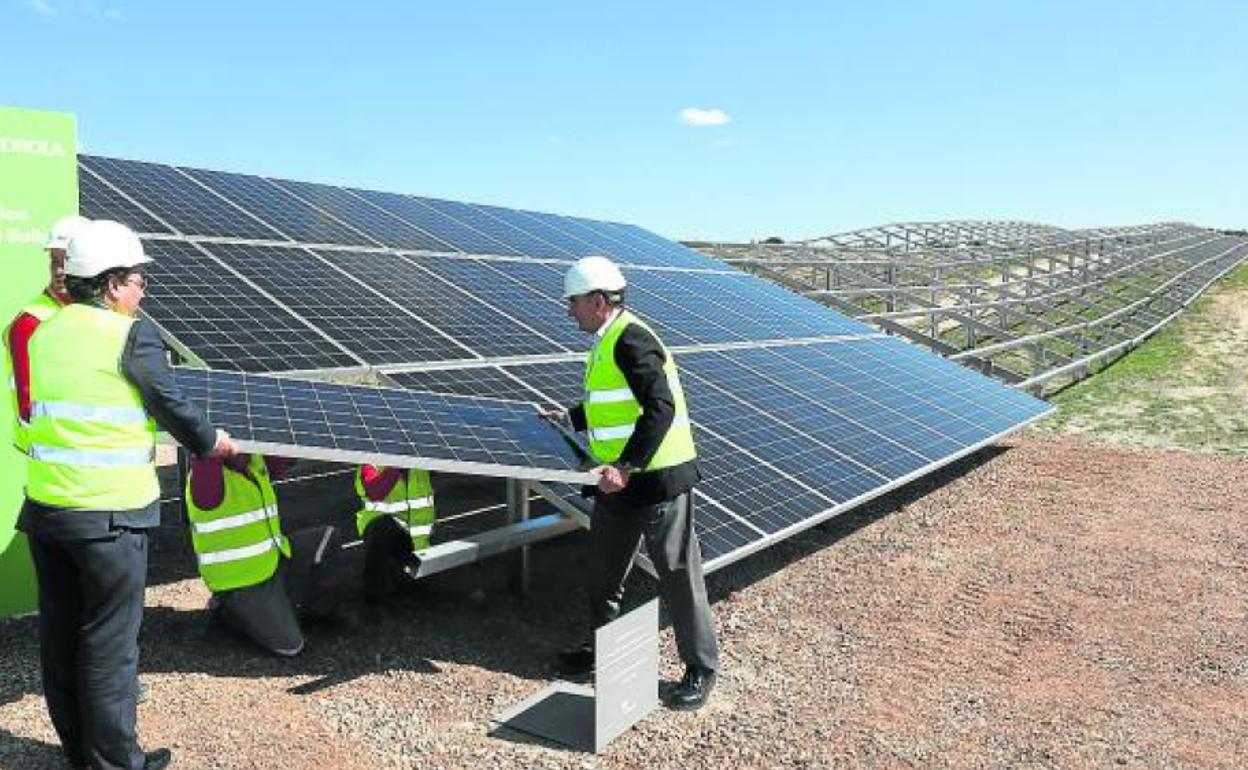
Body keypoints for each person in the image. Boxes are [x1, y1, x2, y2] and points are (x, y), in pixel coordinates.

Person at [19, 219, 237, 770]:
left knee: (63, 639)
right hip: (109, 519)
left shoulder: (46, 331)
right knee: (110, 649)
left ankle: (80, 755)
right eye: (139, 280)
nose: (143, 291)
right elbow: (169, 401)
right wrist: (212, 442)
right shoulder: (129, 335)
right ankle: (116, 765)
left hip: (48, 513)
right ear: (113, 283)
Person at [548, 255, 719, 710]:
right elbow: (615, 403)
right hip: (616, 484)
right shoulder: (608, 339)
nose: (570, 311)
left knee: (679, 574)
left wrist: (626, 466)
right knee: (603, 574)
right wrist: (571, 416)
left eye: (575, 303)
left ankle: (701, 669)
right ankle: (601, 651)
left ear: (599, 301)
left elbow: (659, 407)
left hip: (656, 479)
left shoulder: (632, 340)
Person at [187, 453, 348, 657]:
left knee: (327, 537)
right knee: (291, 646)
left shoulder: (254, 460)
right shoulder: (206, 474)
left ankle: (311, 612)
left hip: (275, 558)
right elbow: (206, 460)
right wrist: (213, 446)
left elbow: (280, 462)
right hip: (241, 582)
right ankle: (228, 611)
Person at [5, 214, 89, 451]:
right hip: (52, 450)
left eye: (67, 262)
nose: (59, 271)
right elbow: (27, 401)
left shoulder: (99, 312)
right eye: (55, 262)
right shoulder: (31, 321)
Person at [354, 465, 435, 604]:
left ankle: (408, 580)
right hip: (386, 531)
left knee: (412, 587)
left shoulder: (420, 461)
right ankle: (374, 592)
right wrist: (397, 465)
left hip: (416, 538)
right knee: (382, 529)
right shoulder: (372, 462)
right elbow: (375, 490)